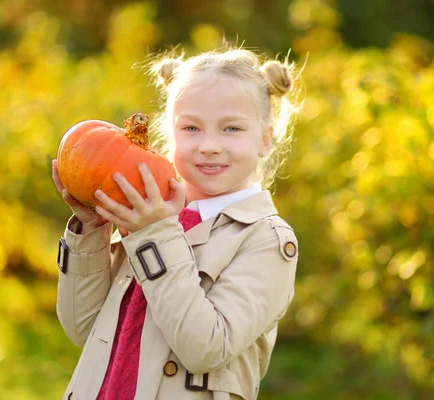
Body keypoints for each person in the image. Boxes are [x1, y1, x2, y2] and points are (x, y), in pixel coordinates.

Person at [51, 46, 302, 400]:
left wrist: (155, 234)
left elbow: (205, 349)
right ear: (170, 134)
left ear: (265, 139)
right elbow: (83, 327)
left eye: (231, 128)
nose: (210, 145)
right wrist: (91, 230)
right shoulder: (145, 214)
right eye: (191, 128)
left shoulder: (266, 240)